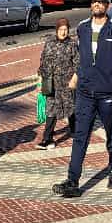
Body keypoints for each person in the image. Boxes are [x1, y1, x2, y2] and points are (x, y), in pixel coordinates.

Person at [53, 0, 112, 197]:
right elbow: (81, 58)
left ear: (107, 6)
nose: (97, 5)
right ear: (91, 6)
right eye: (94, 2)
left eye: (101, 2)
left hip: (108, 91)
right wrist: (77, 77)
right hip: (85, 92)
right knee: (80, 136)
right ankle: (72, 181)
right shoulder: (82, 27)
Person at [37, 18, 78, 149]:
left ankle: (75, 130)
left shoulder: (72, 44)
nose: (63, 32)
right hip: (51, 83)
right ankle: (47, 139)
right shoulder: (49, 43)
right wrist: (39, 79)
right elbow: (43, 61)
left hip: (67, 82)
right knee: (51, 109)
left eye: (65, 29)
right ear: (56, 30)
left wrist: (74, 79)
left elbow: (78, 63)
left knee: (70, 107)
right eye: (61, 29)